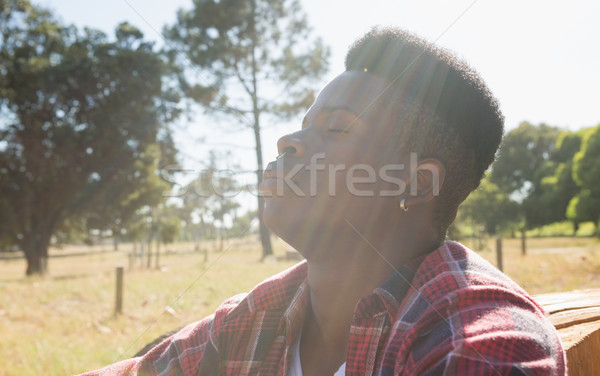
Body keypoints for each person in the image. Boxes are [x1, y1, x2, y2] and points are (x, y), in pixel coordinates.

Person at [79, 27, 566, 375]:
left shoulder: (480, 345)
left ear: (415, 184)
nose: (287, 140)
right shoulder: (259, 315)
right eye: (304, 122)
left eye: (336, 127)